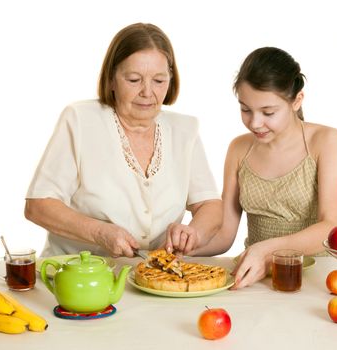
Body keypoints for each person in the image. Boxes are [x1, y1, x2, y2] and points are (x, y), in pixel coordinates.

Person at [24, 23, 222, 258]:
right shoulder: (80, 119)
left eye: (159, 81)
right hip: (77, 275)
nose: (147, 92)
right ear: (111, 80)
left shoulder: (184, 130)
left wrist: (192, 233)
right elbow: (38, 206)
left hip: (153, 277)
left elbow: (210, 206)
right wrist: (99, 232)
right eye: (134, 79)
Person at [191, 47, 337, 289]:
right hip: (257, 279)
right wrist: (183, 246)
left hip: (316, 280)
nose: (254, 123)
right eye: (245, 109)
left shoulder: (327, 142)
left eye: (268, 112)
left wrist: (267, 249)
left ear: (297, 101)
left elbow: (331, 227)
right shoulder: (238, 149)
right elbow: (224, 235)